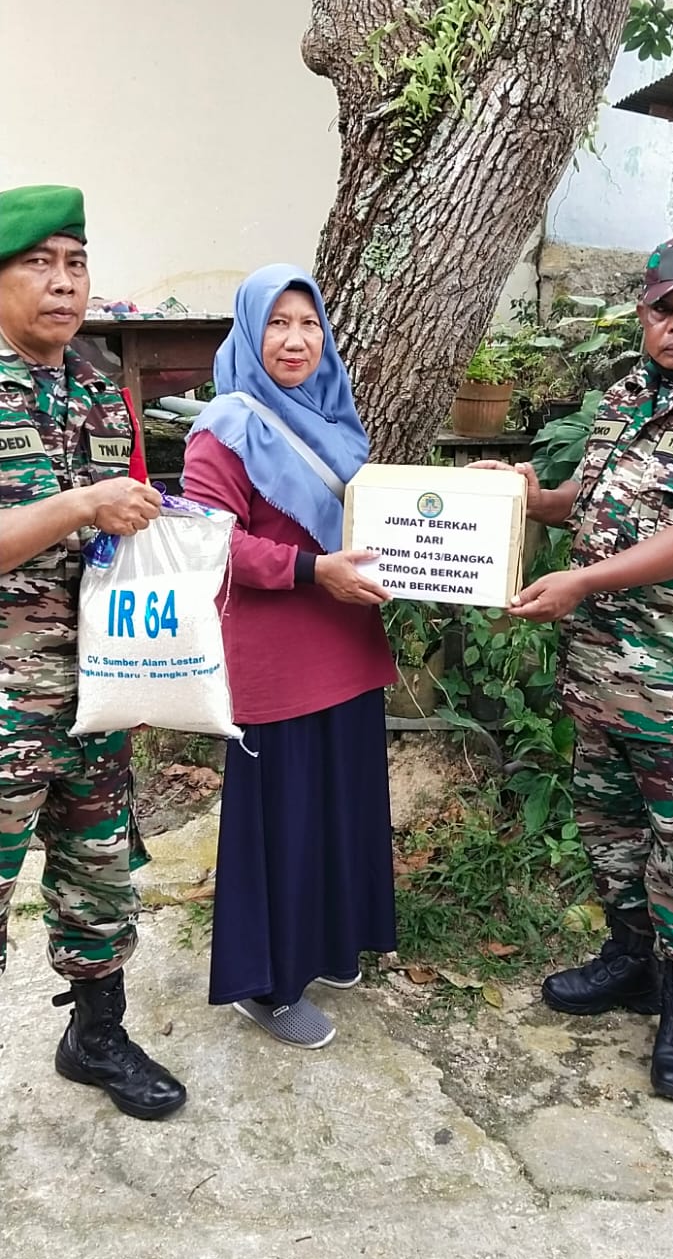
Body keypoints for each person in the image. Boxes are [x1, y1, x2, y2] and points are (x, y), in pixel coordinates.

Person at [476, 236, 673, 1102]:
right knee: (612, 828)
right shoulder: (625, 396)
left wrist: (582, 579)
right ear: (642, 313)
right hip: (598, 674)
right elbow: (588, 511)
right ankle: (630, 961)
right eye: (662, 310)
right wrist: (520, 498)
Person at [0, 184, 186, 1120]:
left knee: (100, 869)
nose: (63, 283)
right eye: (39, 263)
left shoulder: (99, 389)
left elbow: (132, 528)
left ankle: (96, 1034)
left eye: (76, 264)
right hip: (3, 700)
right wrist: (78, 504)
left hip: (98, 688)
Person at [182, 263, 397, 1049]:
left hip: (347, 647)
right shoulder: (225, 426)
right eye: (276, 323)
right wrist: (310, 570)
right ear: (248, 332)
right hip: (276, 663)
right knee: (283, 825)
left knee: (340, 812)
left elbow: (381, 523)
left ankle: (329, 948)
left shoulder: (334, 422)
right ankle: (266, 986)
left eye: (308, 323)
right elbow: (209, 541)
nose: (295, 339)